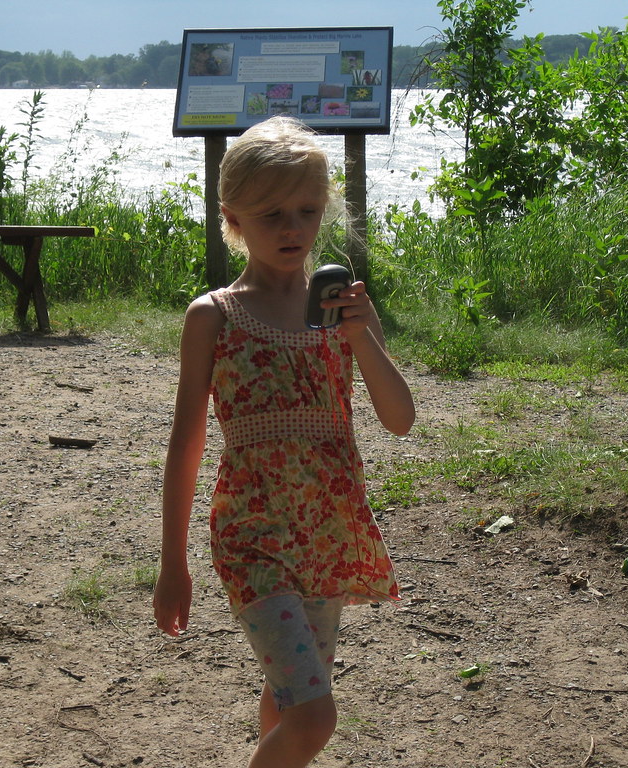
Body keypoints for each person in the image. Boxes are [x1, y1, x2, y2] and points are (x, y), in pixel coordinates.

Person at [153, 115, 415, 768]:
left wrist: (360, 337)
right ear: (233, 218)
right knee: (314, 714)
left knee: (288, 695)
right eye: (271, 214)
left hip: (328, 526)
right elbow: (185, 444)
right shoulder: (212, 316)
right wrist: (173, 563)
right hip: (253, 529)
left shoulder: (345, 307)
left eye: (306, 210)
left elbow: (400, 418)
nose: (292, 228)